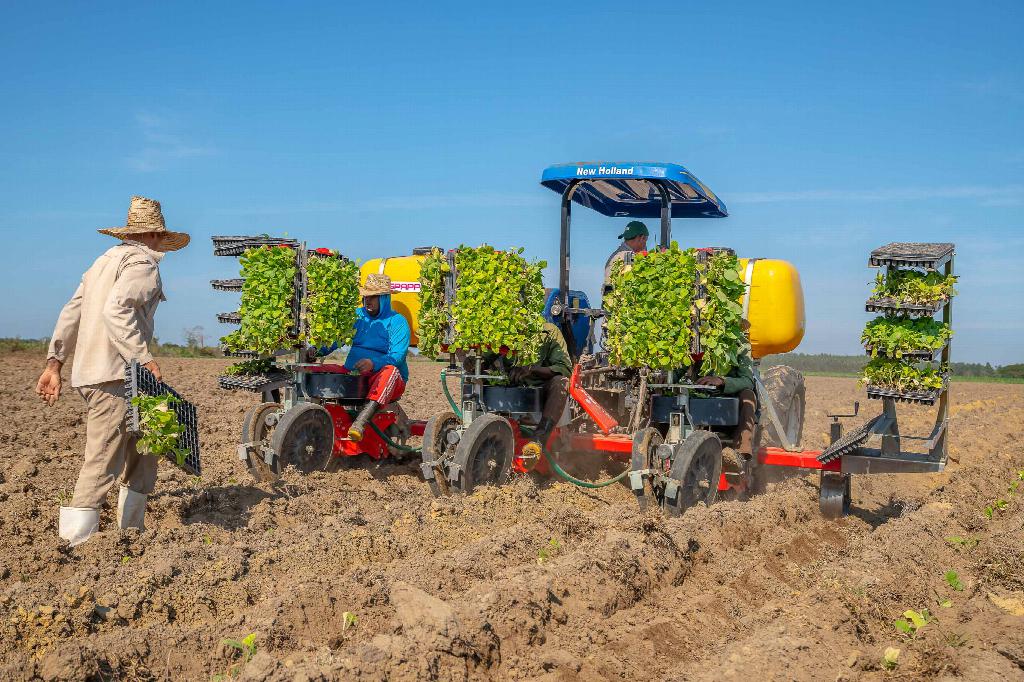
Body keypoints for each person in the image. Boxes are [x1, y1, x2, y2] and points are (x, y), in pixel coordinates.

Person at [35, 196, 190, 547]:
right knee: (103, 459)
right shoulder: (143, 265)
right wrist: (143, 357)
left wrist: (54, 363)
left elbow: (71, 312)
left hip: (99, 374)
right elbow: (117, 310)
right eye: (160, 237)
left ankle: (131, 533)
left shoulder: (102, 263)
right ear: (153, 233)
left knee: (145, 449)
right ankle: (73, 547)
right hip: (115, 376)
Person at [319, 273, 411, 442]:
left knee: (390, 372)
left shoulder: (397, 322)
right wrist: (316, 351)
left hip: (385, 379)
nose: (368, 301)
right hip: (354, 374)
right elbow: (336, 341)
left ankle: (360, 422)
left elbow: (397, 356)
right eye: (366, 296)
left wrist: (373, 363)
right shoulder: (356, 316)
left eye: (373, 297)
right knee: (318, 371)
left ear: (384, 298)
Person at [478, 322, 572, 445]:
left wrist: (532, 369)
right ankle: (476, 428)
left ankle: (539, 439)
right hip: (510, 393)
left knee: (561, 382)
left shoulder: (549, 331)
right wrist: (476, 363)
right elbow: (487, 357)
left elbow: (564, 368)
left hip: (541, 396)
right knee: (475, 378)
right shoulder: (502, 330)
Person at [695, 347, 757, 461]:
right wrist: (667, 377)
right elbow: (680, 368)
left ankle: (741, 453)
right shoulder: (697, 343)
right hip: (701, 395)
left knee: (748, 395)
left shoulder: (740, 348)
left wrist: (722, 381)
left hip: (732, 398)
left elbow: (748, 381)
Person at [603, 220, 650, 290]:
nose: (645, 245)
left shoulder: (616, 254)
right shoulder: (629, 256)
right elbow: (630, 280)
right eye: (645, 240)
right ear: (641, 238)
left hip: (610, 297)